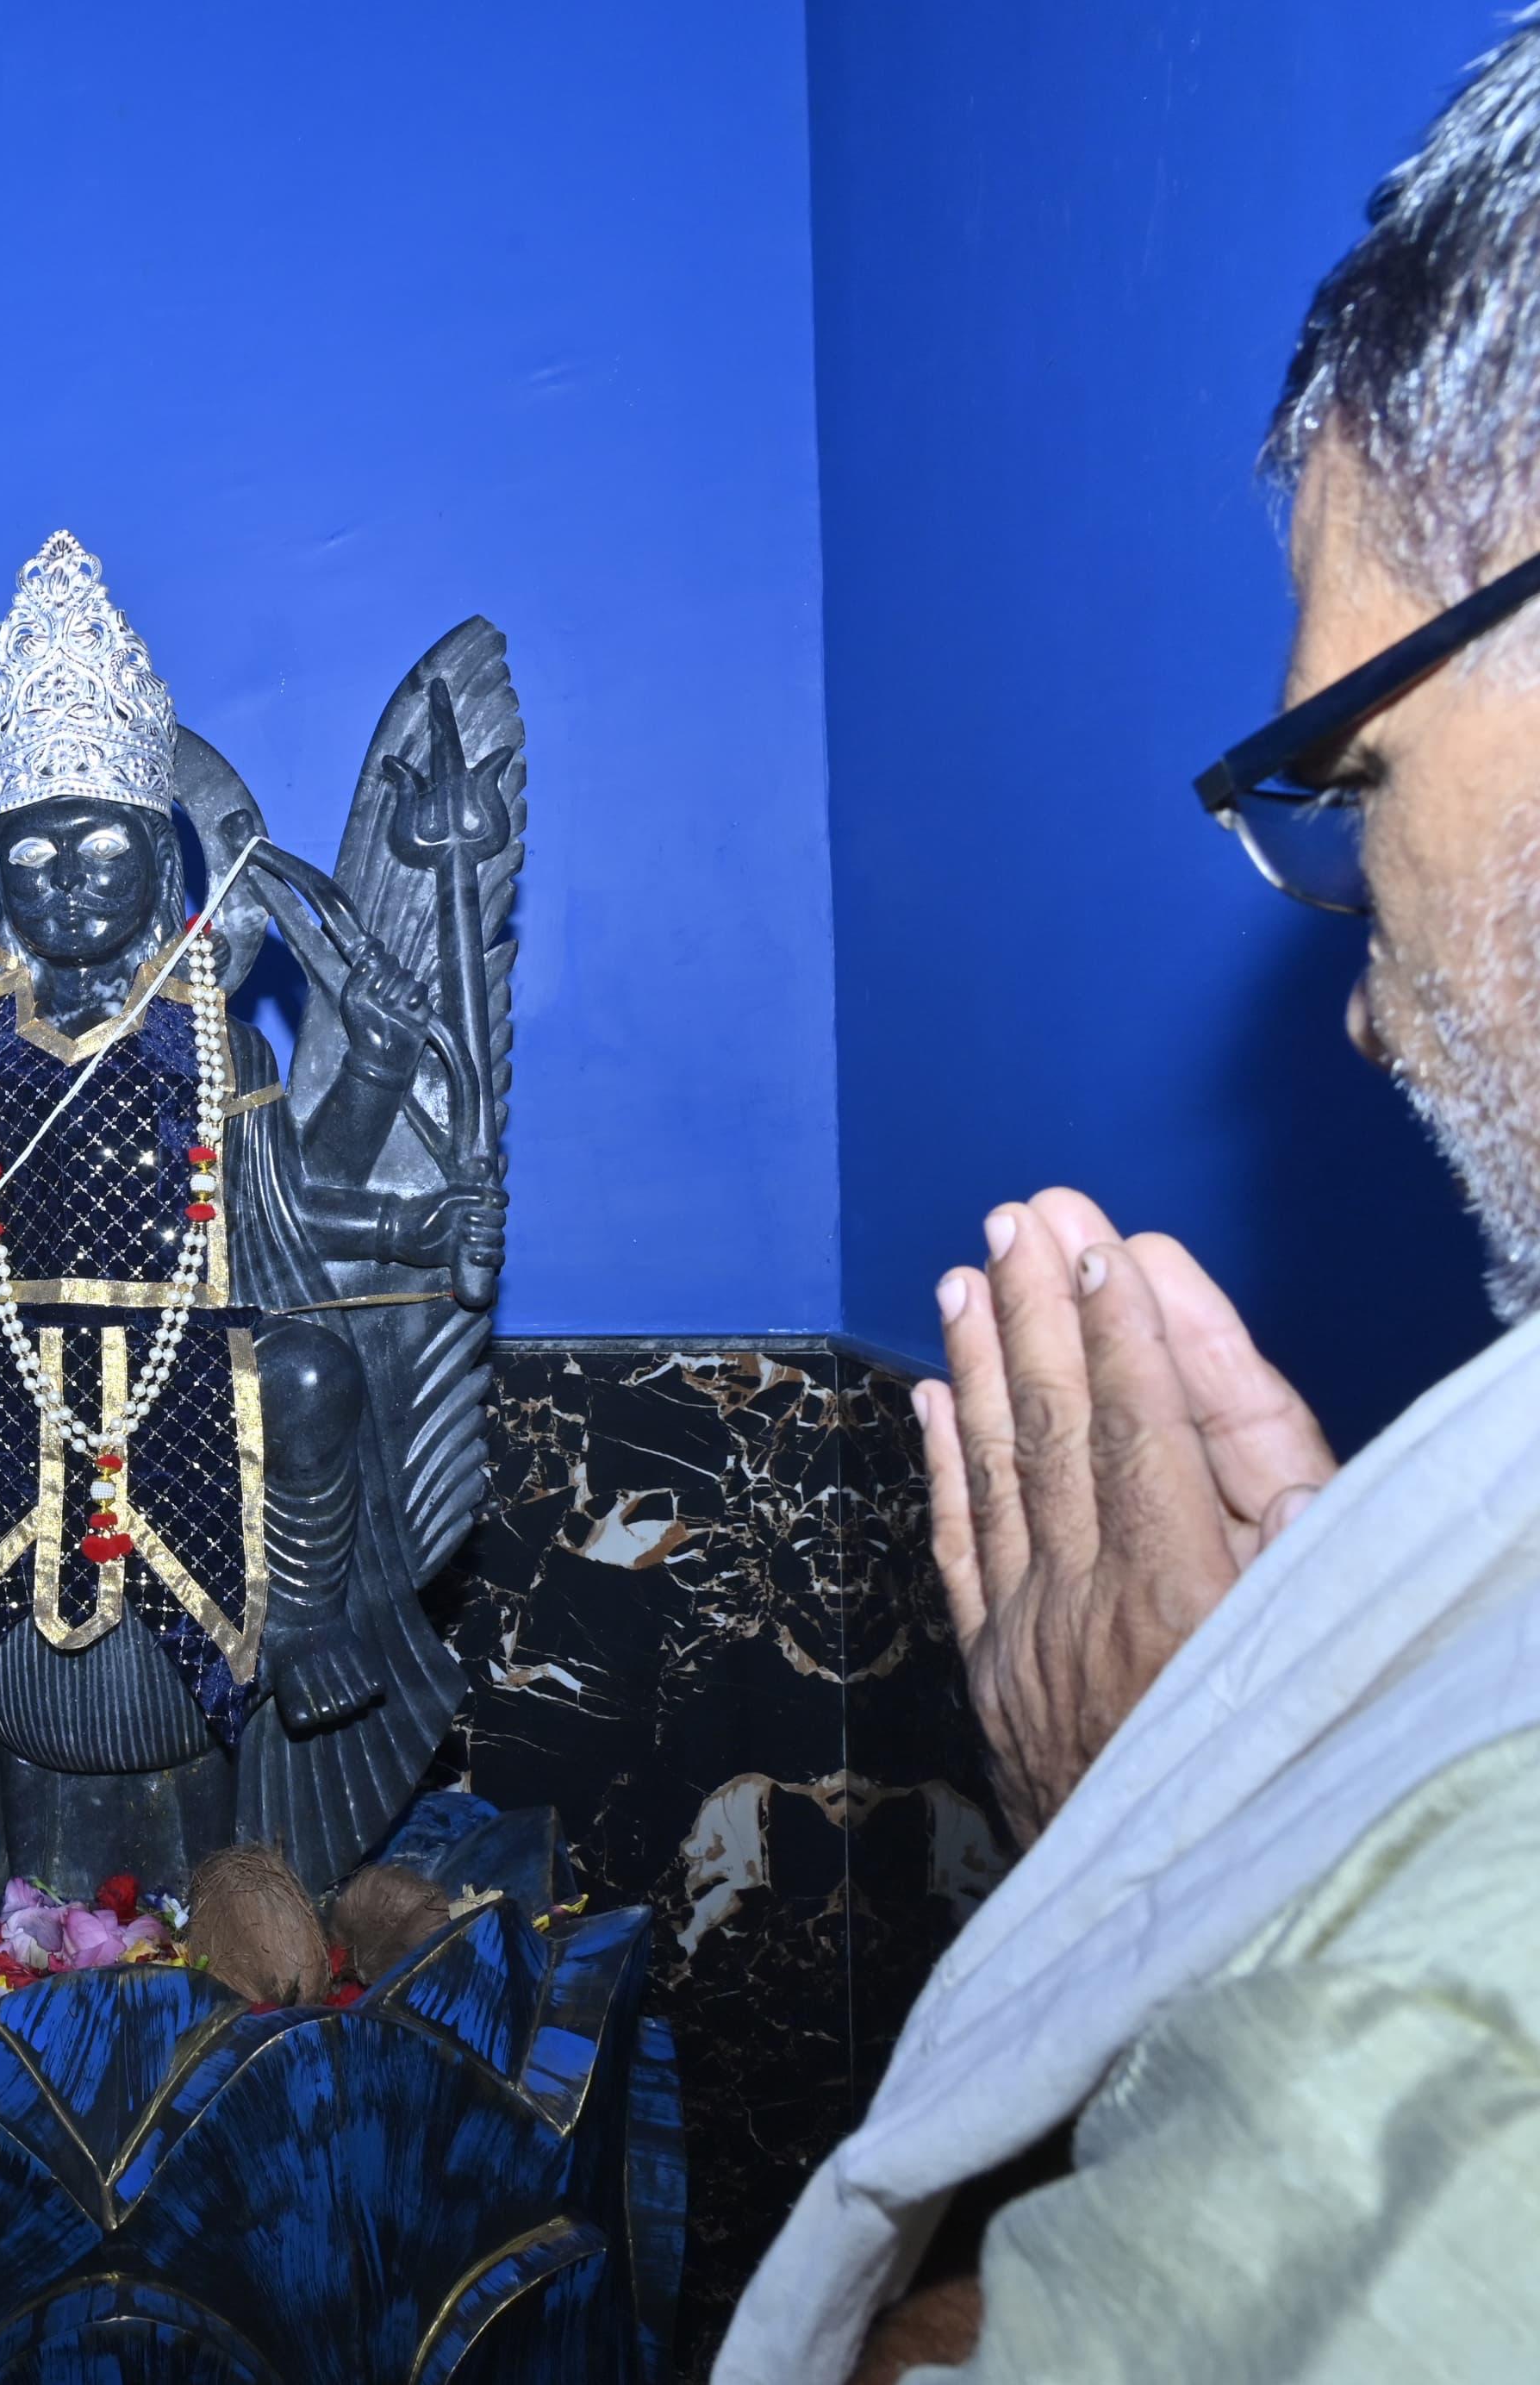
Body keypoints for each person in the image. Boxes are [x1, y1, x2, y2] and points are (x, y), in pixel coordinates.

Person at [726, 28, 1540, 2384]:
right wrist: (1310, 1748)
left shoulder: (1472, 2007)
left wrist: (1171, 1865)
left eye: (1349, 774)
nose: (1362, 1013)